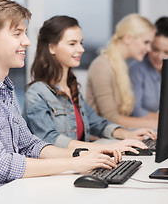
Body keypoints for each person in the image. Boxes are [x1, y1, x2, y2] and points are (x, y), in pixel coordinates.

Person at [0, 0, 122, 204]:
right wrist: (74, 163)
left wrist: (83, 155)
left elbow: (29, 145)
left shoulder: (3, 86)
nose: (27, 41)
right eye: (17, 34)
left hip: (9, 191)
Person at [24, 15, 156, 154]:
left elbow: (97, 123)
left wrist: (127, 135)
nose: (81, 49)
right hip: (59, 171)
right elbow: (50, 139)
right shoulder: (37, 93)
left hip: (80, 165)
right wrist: (105, 148)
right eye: (72, 43)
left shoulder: (72, 88)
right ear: (51, 48)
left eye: (81, 43)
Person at [86, 13, 158, 129]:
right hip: (100, 140)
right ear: (128, 38)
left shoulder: (121, 66)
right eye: (146, 42)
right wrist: (158, 124)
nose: (149, 49)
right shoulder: (101, 66)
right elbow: (111, 118)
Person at [128, 17, 168, 117]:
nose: (160, 57)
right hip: (137, 128)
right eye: (155, 49)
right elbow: (135, 111)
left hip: (151, 127)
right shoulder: (136, 70)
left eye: (166, 52)